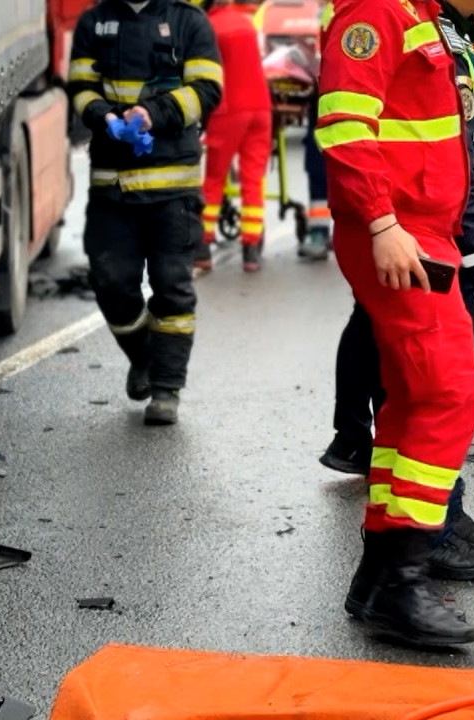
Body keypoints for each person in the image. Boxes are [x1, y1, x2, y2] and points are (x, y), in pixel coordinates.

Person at [317, 0, 474, 584]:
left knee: (411, 399)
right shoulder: (377, 12)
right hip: (400, 234)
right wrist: (382, 223)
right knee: (449, 395)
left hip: (421, 233)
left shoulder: (417, 15)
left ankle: (383, 573)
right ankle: (403, 574)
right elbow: (344, 125)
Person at [67, 0, 223, 425]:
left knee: (172, 289)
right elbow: (81, 88)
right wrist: (104, 116)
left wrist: (153, 114)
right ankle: (145, 357)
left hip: (173, 192)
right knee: (111, 283)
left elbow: (207, 90)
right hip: (112, 188)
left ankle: (166, 388)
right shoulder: (95, 22)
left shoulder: (189, 22)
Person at [199, 0, 273, 273]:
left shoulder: (208, 26)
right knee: (253, 179)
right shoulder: (244, 23)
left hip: (229, 109)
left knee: (215, 178)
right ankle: (251, 250)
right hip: (261, 108)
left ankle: (203, 245)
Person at [298, 1, 335, 262]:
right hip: (321, 108)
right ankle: (320, 232)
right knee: (318, 169)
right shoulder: (315, 14)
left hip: (349, 107)